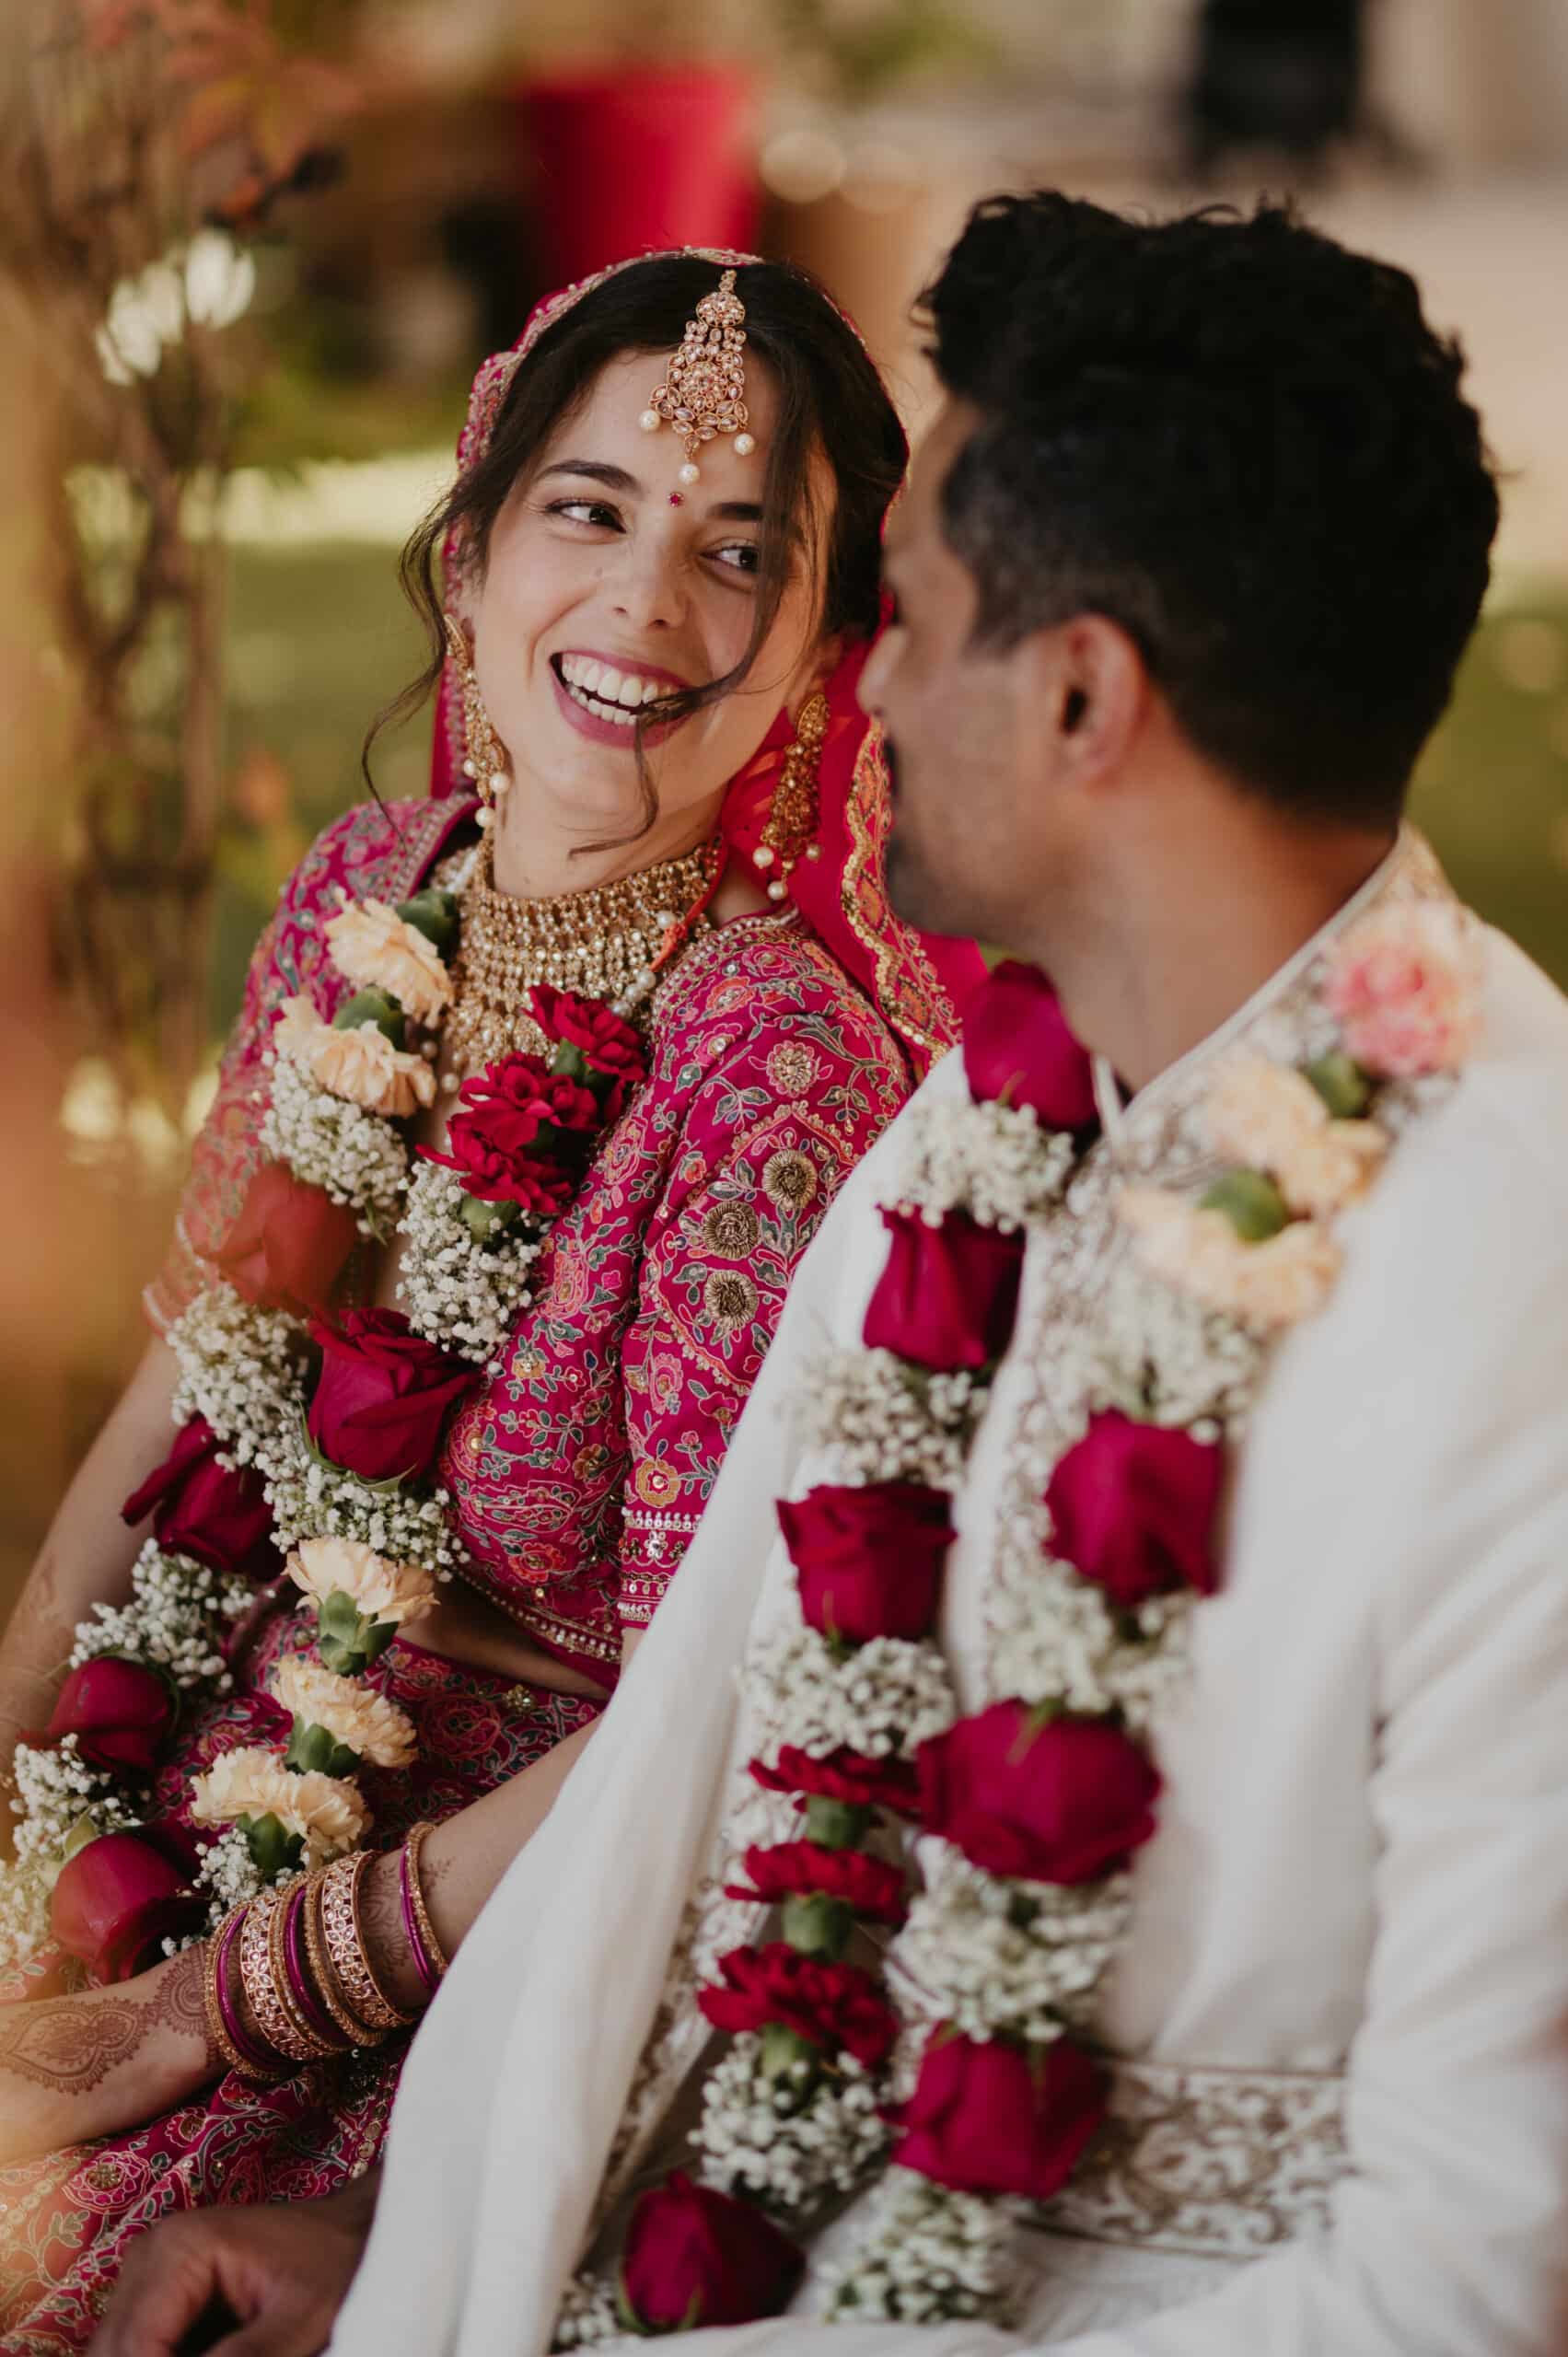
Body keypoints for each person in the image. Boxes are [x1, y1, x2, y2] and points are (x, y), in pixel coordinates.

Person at [94, 191, 1568, 2357]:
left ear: (1080, 695)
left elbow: (1472, 2275)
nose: (850, 678)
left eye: (918, 606)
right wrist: (431, 2268)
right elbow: (702, 1802)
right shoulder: (980, 1149)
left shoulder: (1512, 1278)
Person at [0, 250, 983, 2349]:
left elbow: (713, 1716)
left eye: (743, 552)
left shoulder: (779, 1076)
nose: (647, 609)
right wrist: (7, 1762)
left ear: (821, 643)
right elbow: (189, 1373)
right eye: (591, 509)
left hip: (483, 1921)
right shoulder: (374, 882)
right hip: (183, 1757)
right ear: (466, 557)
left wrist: (199, 2012)